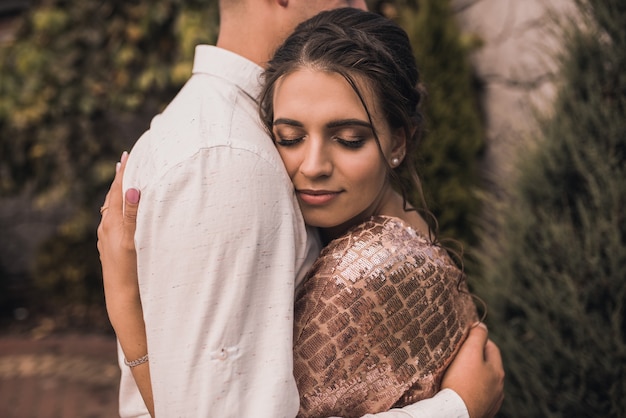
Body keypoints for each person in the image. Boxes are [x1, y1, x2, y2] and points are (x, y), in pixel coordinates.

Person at [98, 2, 504, 418]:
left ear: (399, 142)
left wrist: (128, 316)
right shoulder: (227, 158)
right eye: (289, 137)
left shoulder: (362, 269)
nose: (312, 166)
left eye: (348, 138)